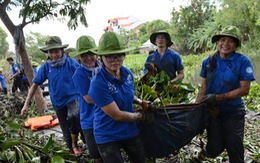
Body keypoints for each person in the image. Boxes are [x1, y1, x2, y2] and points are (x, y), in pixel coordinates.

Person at [88, 31, 153, 163]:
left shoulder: (127, 73)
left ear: (124, 56)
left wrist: (141, 102)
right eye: (110, 56)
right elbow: (117, 115)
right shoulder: (98, 83)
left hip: (129, 130)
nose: (115, 60)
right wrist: (140, 116)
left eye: (119, 56)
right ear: (102, 58)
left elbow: (126, 94)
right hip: (107, 134)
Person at [195, 26, 255, 163]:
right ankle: (206, 152)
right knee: (215, 149)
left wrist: (218, 97)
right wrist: (196, 109)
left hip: (233, 111)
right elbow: (203, 88)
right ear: (217, 42)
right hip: (212, 111)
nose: (225, 44)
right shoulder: (208, 62)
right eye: (222, 40)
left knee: (233, 144)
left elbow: (244, 89)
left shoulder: (242, 61)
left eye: (231, 41)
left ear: (236, 45)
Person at [20, 36, 83, 157]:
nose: (54, 54)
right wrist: (26, 104)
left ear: (62, 51)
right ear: (48, 53)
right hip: (58, 102)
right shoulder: (46, 67)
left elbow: (83, 76)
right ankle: (72, 150)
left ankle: (77, 142)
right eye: (51, 52)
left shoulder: (71, 63)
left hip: (73, 98)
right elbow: (34, 85)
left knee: (75, 115)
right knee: (65, 129)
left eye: (56, 51)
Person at [71, 35, 103, 162]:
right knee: (97, 155)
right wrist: (114, 100)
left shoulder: (104, 68)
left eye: (91, 53)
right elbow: (89, 99)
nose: (88, 57)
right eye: (84, 55)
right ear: (79, 57)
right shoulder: (79, 74)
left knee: (110, 150)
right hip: (90, 119)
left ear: (96, 53)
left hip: (106, 117)